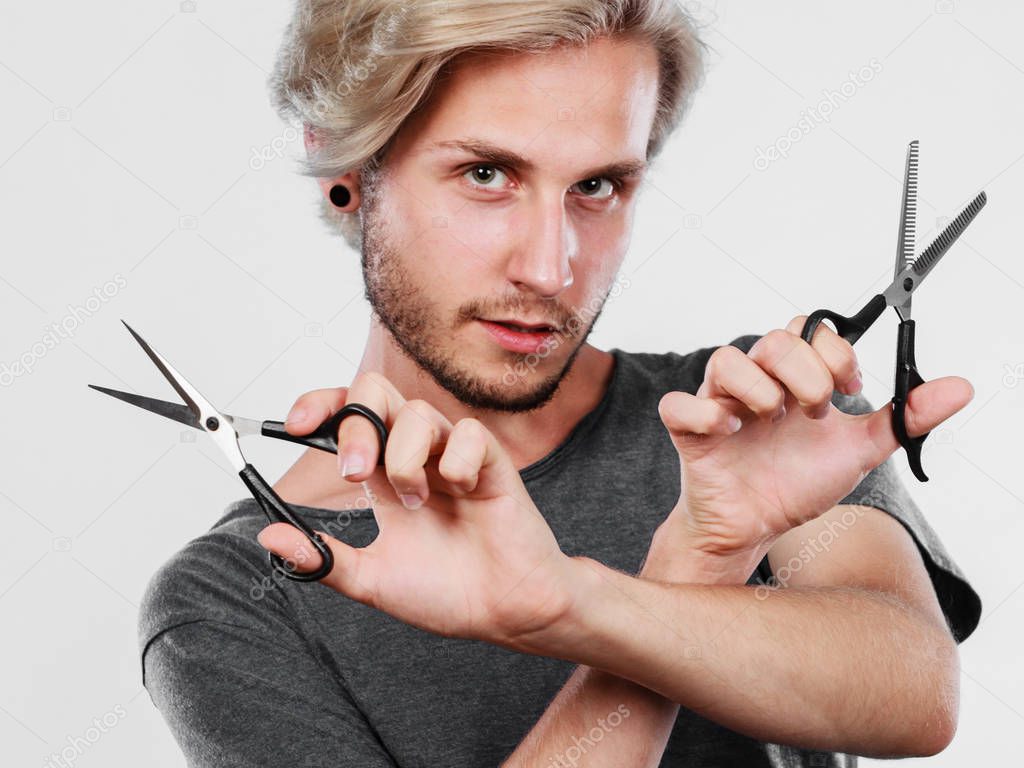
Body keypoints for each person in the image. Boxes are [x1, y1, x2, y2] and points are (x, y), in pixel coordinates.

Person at [138, 2, 981, 765]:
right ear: (345, 164)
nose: (550, 267)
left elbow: (916, 698)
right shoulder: (241, 596)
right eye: (486, 175)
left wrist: (653, 570)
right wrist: (647, 585)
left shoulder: (748, 419)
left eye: (598, 186)